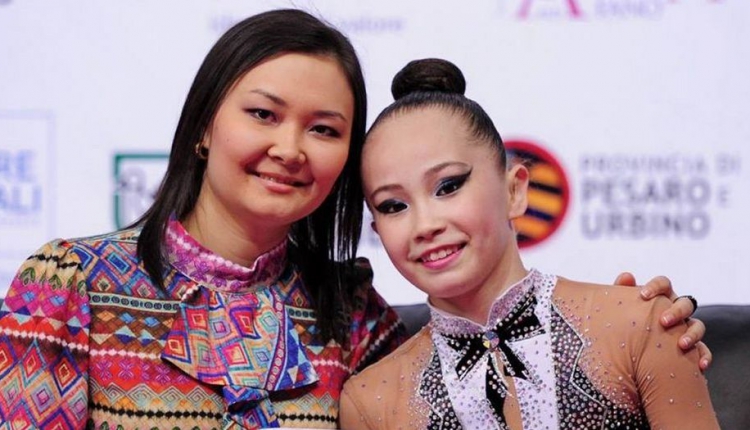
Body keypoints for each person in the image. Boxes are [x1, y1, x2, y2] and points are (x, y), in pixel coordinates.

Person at [0, 9, 706, 430]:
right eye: (263, 114)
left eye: (324, 129)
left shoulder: (350, 312)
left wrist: (645, 323)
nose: (290, 148)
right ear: (204, 125)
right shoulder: (70, 281)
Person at [339, 58, 719, 429]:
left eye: (449, 186)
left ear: (514, 191)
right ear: (377, 229)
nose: (425, 225)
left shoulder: (640, 324)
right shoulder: (370, 403)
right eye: (394, 206)